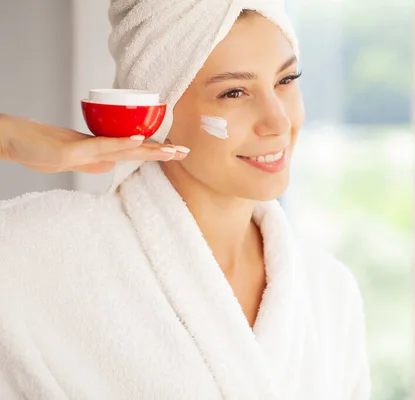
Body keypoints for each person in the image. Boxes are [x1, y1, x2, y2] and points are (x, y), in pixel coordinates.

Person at [0, 2, 371, 400]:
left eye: (286, 79)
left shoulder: (329, 292)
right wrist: (7, 136)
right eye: (234, 92)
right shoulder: (40, 255)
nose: (278, 120)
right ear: (158, 110)